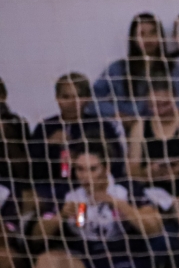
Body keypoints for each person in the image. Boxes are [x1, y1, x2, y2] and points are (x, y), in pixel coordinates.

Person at [30, 144, 166, 268]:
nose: (85, 176)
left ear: (106, 167)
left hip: (122, 261)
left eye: (93, 169)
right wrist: (61, 215)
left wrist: (117, 204)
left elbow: (154, 227)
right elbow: (36, 236)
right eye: (80, 170)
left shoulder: (127, 189)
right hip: (84, 261)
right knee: (46, 262)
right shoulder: (69, 193)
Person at [28, 73, 126, 208]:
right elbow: (32, 170)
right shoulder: (45, 127)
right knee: (32, 199)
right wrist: (47, 145)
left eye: (79, 96)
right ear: (57, 98)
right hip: (53, 188)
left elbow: (117, 164)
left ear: (88, 98)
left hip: (92, 186)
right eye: (66, 97)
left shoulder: (101, 126)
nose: (73, 103)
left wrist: (80, 159)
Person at [126, 78, 179, 194]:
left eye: (165, 104)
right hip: (153, 191)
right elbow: (132, 169)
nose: (160, 111)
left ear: (175, 98)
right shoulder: (140, 126)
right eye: (153, 106)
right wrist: (148, 172)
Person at [93, 13, 172, 128]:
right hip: (122, 128)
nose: (148, 38)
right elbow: (93, 98)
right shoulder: (118, 68)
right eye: (141, 34)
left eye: (153, 32)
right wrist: (116, 114)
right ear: (133, 38)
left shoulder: (172, 67)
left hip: (160, 128)